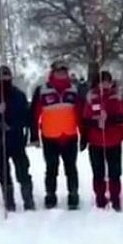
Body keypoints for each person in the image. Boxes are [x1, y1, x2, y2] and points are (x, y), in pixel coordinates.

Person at [29, 60, 85, 210]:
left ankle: (73, 195)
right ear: (52, 73)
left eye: (64, 71)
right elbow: (34, 114)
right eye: (58, 71)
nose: (61, 74)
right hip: (50, 137)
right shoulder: (42, 90)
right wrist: (34, 135)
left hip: (70, 136)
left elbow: (80, 113)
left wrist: (84, 134)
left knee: (71, 169)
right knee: (51, 169)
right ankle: (50, 195)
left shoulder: (75, 90)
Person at [0, 65, 35, 211]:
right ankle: (9, 201)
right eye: (2, 76)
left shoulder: (19, 95)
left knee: (23, 170)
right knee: (3, 172)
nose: (5, 79)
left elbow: (26, 117)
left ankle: (28, 200)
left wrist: (14, 126)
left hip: (16, 139)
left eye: (7, 76)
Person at [82, 70, 123, 211]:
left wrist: (109, 120)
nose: (105, 85)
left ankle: (115, 197)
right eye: (102, 82)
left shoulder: (116, 96)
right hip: (96, 141)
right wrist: (97, 122)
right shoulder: (91, 97)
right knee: (98, 171)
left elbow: (122, 117)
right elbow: (86, 119)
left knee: (114, 172)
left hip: (113, 140)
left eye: (107, 82)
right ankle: (100, 196)